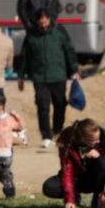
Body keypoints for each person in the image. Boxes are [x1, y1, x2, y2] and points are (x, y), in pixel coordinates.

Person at [19, 10, 78, 148]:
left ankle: (57, 132)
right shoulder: (31, 35)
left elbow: (69, 51)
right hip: (39, 77)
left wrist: (75, 70)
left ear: (49, 20)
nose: (44, 25)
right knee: (42, 106)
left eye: (45, 22)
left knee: (60, 105)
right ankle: (46, 136)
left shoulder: (59, 32)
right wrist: (20, 76)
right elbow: (25, 56)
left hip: (58, 75)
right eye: (41, 23)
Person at [42, 118, 105, 208]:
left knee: (103, 162)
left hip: (92, 178)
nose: (98, 142)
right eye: (94, 140)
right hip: (75, 178)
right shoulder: (67, 141)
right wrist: (69, 200)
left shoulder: (100, 136)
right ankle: (75, 198)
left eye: (98, 139)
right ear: (83, 139)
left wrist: (98, 153)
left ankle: (97, 201)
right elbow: (67, 170)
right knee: (49, 186)